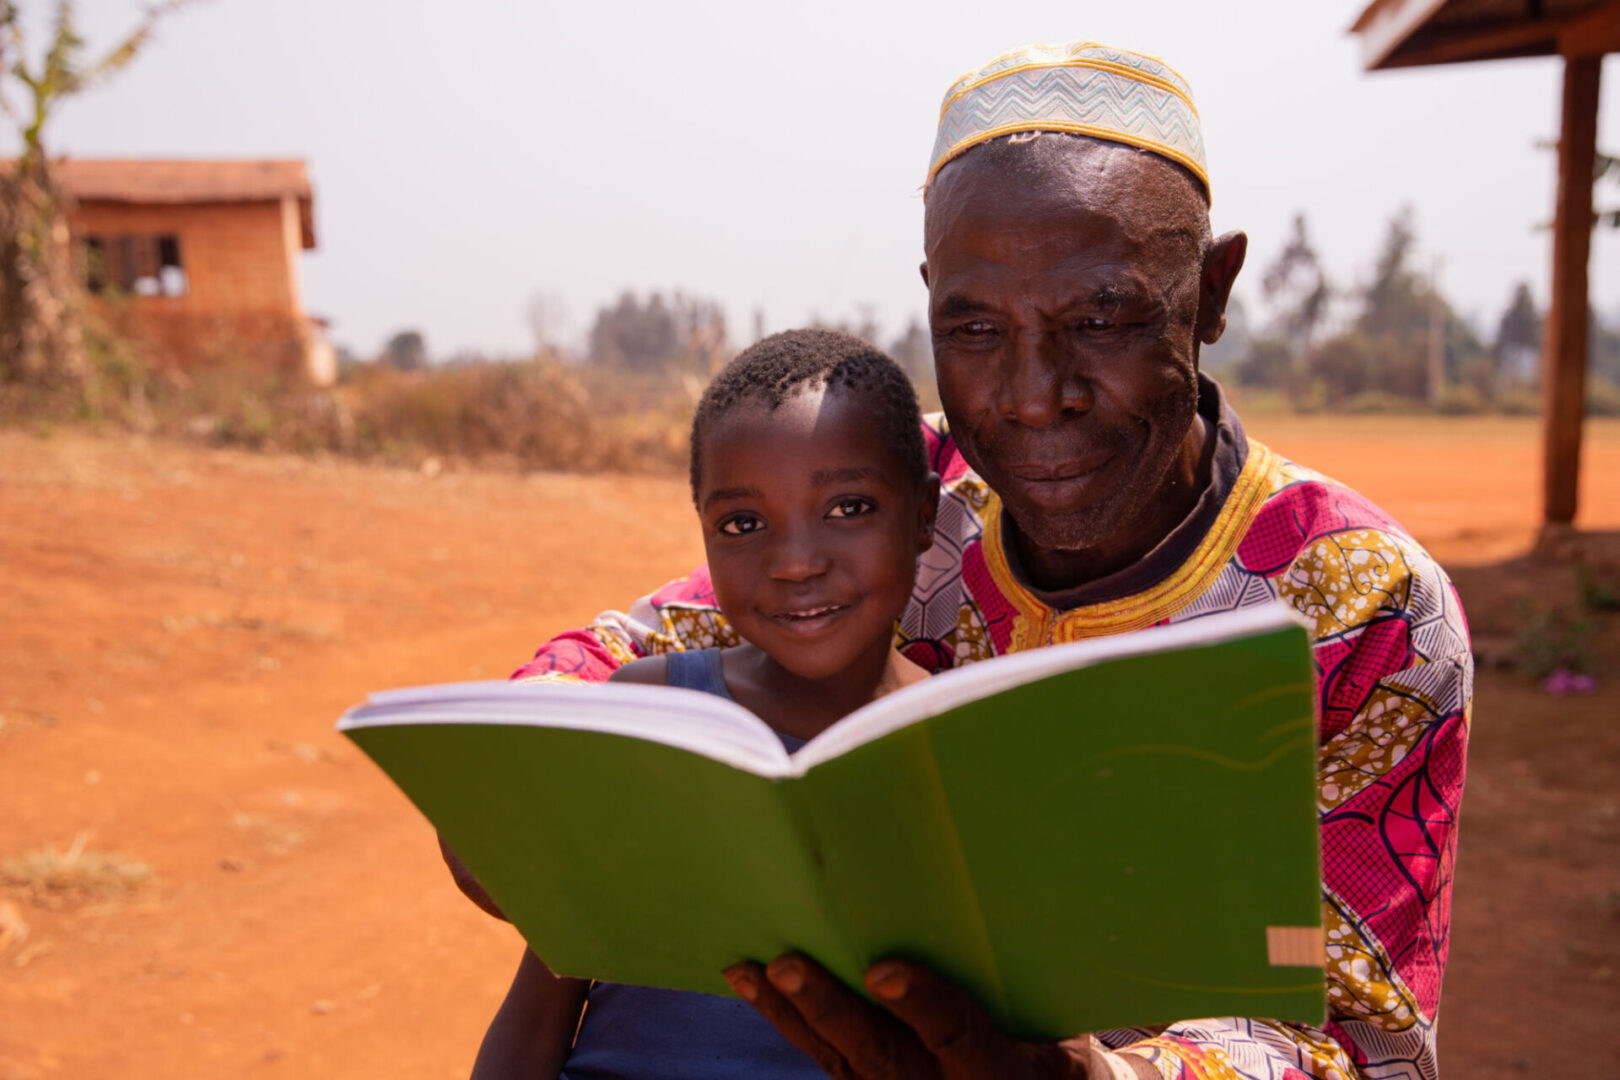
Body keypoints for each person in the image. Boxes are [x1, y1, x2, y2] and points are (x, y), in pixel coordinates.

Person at [485, 42, 1473, 1080]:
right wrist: (515, 803)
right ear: (929, 304)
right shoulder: (895, 496)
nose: (1034, 393)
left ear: (1212, 292)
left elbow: (1355, 1040)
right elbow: (628, 654)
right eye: (975, 327)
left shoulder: (1361, 605)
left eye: (1100, 318)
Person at [470, 328, 942, 1078]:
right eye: (742, 524)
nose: (795, 562)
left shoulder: (961, 745)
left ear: (923, 515)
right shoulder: (654, 713)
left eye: (849, 507)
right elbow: (543, 999)